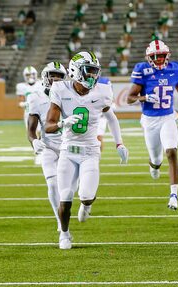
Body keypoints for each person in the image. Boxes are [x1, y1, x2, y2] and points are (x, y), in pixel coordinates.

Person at [45, 51, 129, 249]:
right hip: (68, 150)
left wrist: (119, 143)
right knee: (65, 195)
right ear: (75, 70)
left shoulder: (103, 91)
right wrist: (63, 123)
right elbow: (48, 125)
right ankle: (64, 235)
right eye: (88, 71)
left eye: (94, 72)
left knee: (86, 195)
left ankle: (87, 204)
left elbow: (111, 118)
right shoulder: (60, 88)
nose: (92, 76)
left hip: (91, 151)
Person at [127, 40, 178, 210]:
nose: (158, 59)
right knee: (156, 159)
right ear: (149, 57)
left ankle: (174, 195)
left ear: (168, 56)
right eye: (155, 56)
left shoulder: (174, 68)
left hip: (168, 117)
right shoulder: (142, 70)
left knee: (171, 151)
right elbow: (129, 98)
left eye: (161, 56)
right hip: (150, 120)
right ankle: (154, 165)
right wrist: (144, 98)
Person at [27, 61, 67, 231]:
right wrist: (33, 140)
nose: (56, 79)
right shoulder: (35, 97)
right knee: (52, 184)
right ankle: (60, 221)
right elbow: (31, 129)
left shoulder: (69, 95)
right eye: (53, 75)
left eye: (60, 76)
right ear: (45, 76)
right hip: (48, 146)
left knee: (68, 189)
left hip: (68, 147)